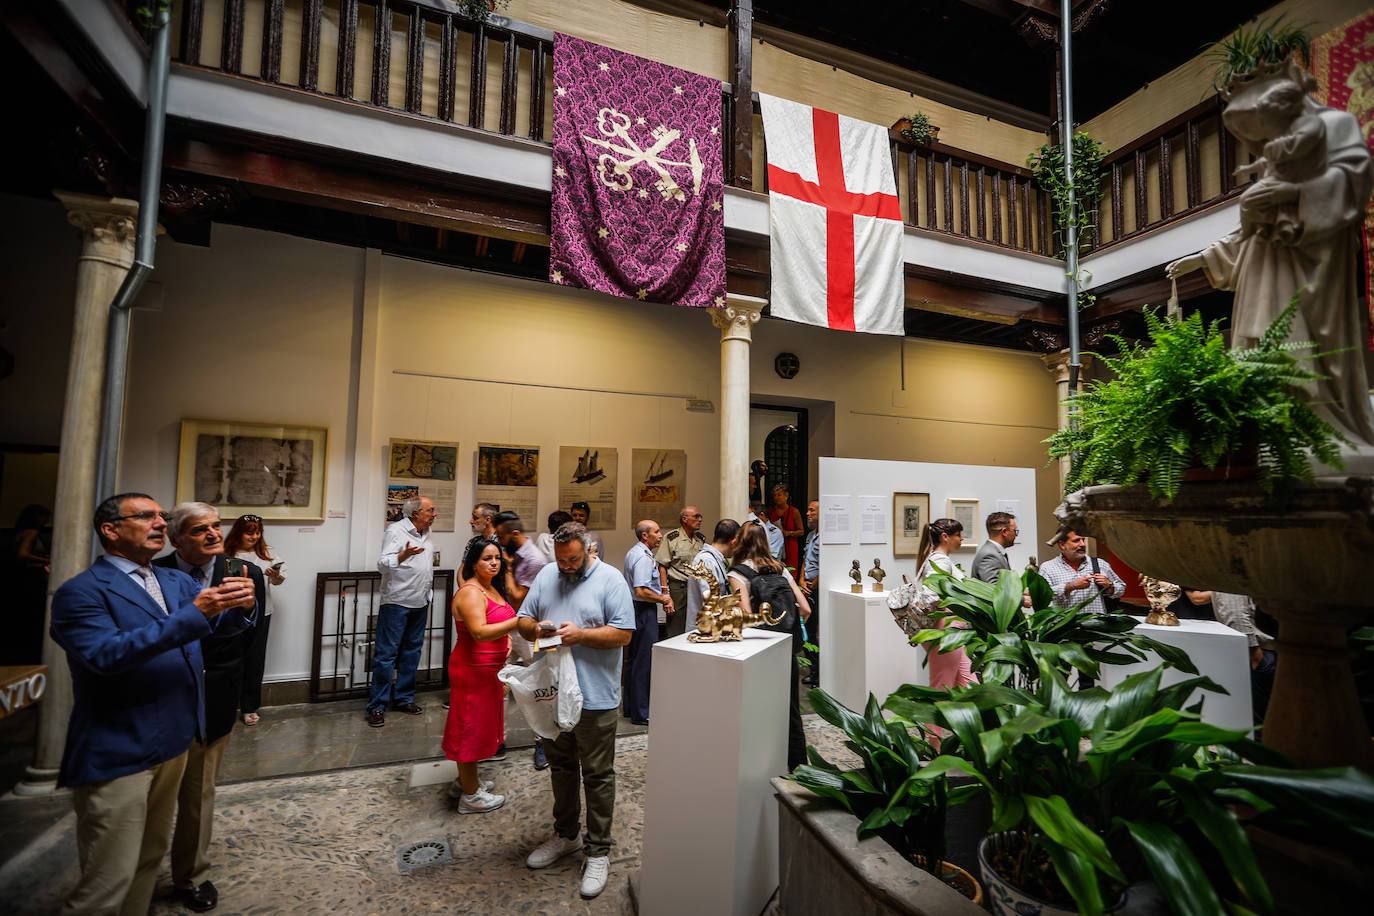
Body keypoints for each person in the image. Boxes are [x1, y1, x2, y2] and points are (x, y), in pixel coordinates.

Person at [50, 493, 254, 916]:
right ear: (111, 529)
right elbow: (105, 655)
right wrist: (196, 613)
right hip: (121, 744)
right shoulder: (82, 592)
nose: (160, 522)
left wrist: (237, 607)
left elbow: (209, 630)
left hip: (176, 740)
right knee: (108, 877)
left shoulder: (175, 582)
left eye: (162, 516)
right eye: (146, 516)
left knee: (149, 855)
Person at [154, 502, 266, 913]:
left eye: (216, 526)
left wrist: (248, 610)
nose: (214, 534)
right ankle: (137, 875)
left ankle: (191, 875)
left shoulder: (244, 572)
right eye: (200, 529)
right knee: (153, 797)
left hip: (217, 693)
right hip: (165, 694)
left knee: (200, 792)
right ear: (176, 538)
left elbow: (252, 638)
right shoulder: (156, 572)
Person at [516, 522, 635, 899]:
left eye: (573, 559)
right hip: (553, 693)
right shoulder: (547, 574)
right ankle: (565, 835)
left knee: (598, 774)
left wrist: (579, 634)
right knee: (562, 768)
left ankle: (598, 849)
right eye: (561, 559)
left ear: (588, 549)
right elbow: (523, 621)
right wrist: (539, 629)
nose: (566, 566)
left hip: (596, 696)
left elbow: (623, 633)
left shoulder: (611, 579)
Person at [443, 535, 520, 813]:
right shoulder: (472, 592)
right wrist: (518, 624)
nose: (494, 563)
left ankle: (467, 781)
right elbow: (478, 631)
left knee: (476, 727)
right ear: (473, 563)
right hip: (472, 670)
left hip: (488, 671)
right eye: (487, 558)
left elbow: (495, 623)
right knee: (469, 729)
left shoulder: (490, 588)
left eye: (497, 558)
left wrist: (507, 639)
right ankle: (471, 796)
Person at [728, 523, 812, 770]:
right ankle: (798, 769)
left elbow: (745, 615)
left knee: (758, 711)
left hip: (758, 652)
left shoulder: (738, 573)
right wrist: (787, 628)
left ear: (740, 542)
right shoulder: (780, 569)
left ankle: (761, 769)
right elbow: (805, 609)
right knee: (791, 711)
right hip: (785, 649)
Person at [368, 496, 437, 727]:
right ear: (416, 513)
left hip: (420, 602)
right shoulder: (396, 531)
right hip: (397, 602)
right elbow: (382, 564)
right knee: (386, 656)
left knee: (412, 653)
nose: (434, 514)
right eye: (431, 510)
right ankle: (377, 706)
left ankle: (404, 698)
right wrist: (403, 555)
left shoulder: (426, 533)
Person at [494, 510, 550, 770]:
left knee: (537, 687)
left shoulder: (534, 559)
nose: (498, 539)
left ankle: (542, 742)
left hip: (527, 630)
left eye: (501, 535)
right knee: (501, 685)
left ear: (514, 533)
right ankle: (497, 740)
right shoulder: (513, 553)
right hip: (508, 627)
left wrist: (505, 568)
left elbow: (518, 598)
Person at [223, 514, 285, 726]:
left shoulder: (268, 554)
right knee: (229, 660)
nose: (254, 536)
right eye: (250, 532)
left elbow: (278, 581)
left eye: (258, 532)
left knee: (255, 660)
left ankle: (249, 707)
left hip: (262, 613)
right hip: (231, 613)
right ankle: (226, 705)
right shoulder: (225, 553)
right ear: (238, 532)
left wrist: (274, 575)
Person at [1186, 589, 1277, 724]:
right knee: (1260, 725)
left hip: (1268, 653)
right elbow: (1235, 616)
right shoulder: (1233, 574)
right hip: (1263, 654)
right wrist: (1255, 656)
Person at [913, 518, 978, 691]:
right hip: (945, 631)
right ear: (945, 537)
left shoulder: (940, 559)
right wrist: (954, 600)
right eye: (958, 535)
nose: (962, 538)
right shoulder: (941, 561)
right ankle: (932, 719)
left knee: (970, 685)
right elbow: (931, 596)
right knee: (942, 688)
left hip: (950, 632)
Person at [623, 519, 668, 725]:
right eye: (657, 532)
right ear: (645, 536)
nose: (660, 535)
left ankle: (630, 708)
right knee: (643, 662)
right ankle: (641, 713)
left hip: (636, 609)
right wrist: (662, 598)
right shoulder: (642, 558)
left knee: (634, 661)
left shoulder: (636, 552)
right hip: (643, 610)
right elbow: (641, 590)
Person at [1039, 529, 1127, 618]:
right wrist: (1071, 586)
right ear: (1062, 545)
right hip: (1066, 628)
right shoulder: (1048, 568)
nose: (1083, 544)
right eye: (1076, 541)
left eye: (1083, 540)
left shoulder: (1100, 564)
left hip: (1097, 626)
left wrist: (1109, 586)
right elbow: (1041, 596)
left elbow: (1121, 588)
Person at [4, 503, 51, 665]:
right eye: (43, 516)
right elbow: (22, 555)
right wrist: (47, 560)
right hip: (31, 577)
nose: (46, 520)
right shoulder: (31, 533)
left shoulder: (19, 533)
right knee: (34, 613)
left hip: (21, 578)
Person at [654, 505, 704, 639]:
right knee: (676, 627)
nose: (700, 519)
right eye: (696, 516)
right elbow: (662, 566)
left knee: (697, 624)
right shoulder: (672, 538)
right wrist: (666, 594)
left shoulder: (700, 539)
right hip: (678, 588)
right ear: (685, 519)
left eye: (700, 517)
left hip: (696, 587)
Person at [686, 518, 739, 631]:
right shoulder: (706, 561)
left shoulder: (716, 559)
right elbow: (710, 600)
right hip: (705, 628)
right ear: (734, 542)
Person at [800, 500, 821, 685]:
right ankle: (813, 670)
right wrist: (800, 580)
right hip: (806, 587)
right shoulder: (811, 536)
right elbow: (805, 560)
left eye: (811, 510)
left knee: (812, 630)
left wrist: (814, 584)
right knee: (807, 630)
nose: (808, 513)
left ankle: (817, 673)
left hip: (816, 590)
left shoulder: (826, 538)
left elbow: (826, 565)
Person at [768, 485, 805, 577]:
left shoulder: (794, 511)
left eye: (779, 495)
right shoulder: (770, 511)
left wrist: (789, 533)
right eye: (774, 495)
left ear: (786, 496)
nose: (776, 498)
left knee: (790, 571)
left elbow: (801, 531)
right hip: (775, 544)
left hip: (790, 544)